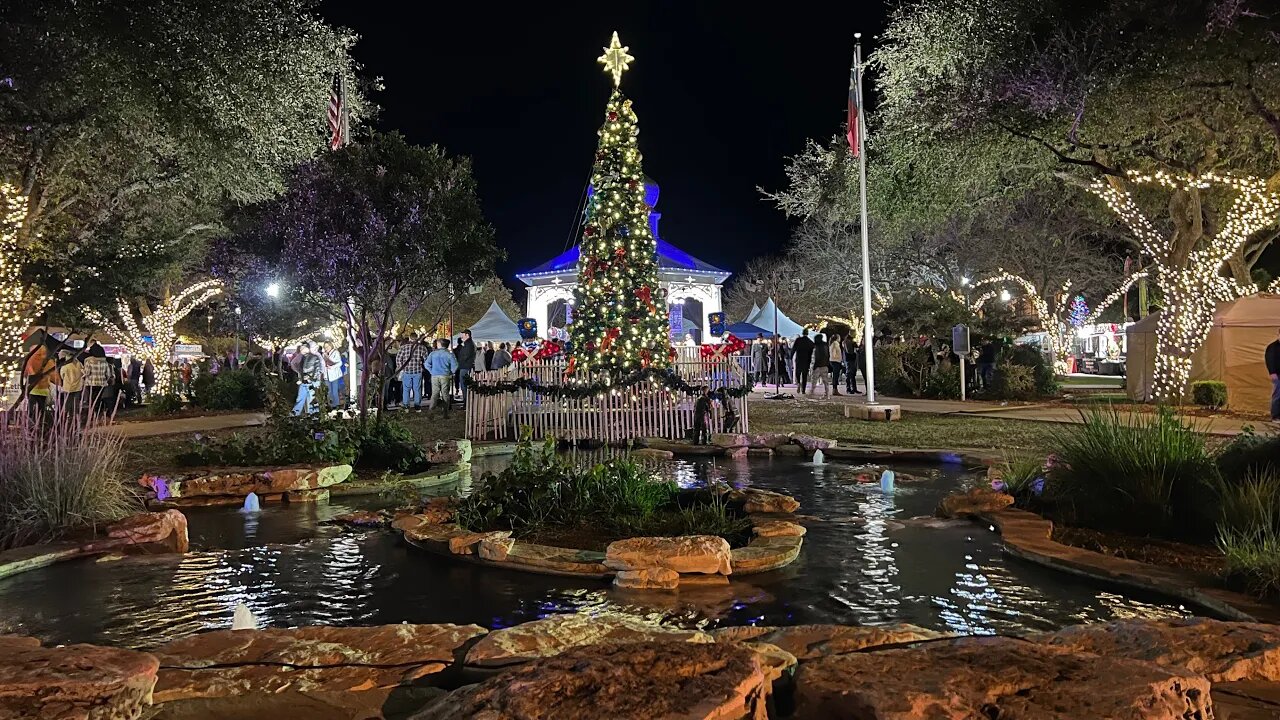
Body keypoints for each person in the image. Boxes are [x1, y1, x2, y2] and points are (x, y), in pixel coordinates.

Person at [425, 338, 459, 416]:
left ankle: (431, 411)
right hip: (445, 375)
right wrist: (451, 372)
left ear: (440, 344)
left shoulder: (433, 354)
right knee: (445, 394)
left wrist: (431, 371)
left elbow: (426, 364)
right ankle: (445, 412)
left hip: (435, 375)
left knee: (434, 394)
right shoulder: (450, 354)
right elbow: (455, 366)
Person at [24, 340, 55, 423]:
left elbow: (29, 374)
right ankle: (41, 424)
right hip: (42, 390)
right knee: (41, 409)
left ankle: (33, 425)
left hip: (34, 389)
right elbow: (54, 377)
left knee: (32, 409)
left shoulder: (30, 362)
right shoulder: (49, 362)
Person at [292, 342, 323, 415]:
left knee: (312, 399)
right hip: (304, 381)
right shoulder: (302, 358)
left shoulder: (314, 357)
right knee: (300, 398)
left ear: (308, 348)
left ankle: (314, 414)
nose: (301, 349)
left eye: (303, 348)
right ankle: (296, 413)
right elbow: (297, 367)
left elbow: (317, 369)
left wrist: (311, 378)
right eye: (301, 348)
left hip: (312, 382)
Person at [400, 332, 429, 410]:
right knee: (417, 389)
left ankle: (406, 405)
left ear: (409, 338)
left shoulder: (403, 347)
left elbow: (398, 359)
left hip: (406, 371)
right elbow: (426, 359)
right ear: (417, 338)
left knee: (406, 389)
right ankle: (417, 406)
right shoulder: (422, 347)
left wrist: (402, 368)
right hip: (418, 371)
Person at [82, 344, 111, 416]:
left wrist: (82, 370)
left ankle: (91, 413)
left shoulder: (89, 361)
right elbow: (108, 374)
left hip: (91, 383)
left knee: (91, 399)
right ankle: (97, 412)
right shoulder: (105, 362)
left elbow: (87, 373)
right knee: (98, 398)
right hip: (101, 383)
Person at [56, 348, 83, 418]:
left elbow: (62, 375)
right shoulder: (79, 363)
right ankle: (75, 415)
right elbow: (83, 373)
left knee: (67, 402)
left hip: (68, 387)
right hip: (78, 386)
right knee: (75, 402)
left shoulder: (65, 366)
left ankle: (67, 415)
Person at [455, 329, 477, 404]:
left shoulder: (469, 344)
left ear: (467, 335)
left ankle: (466, 402)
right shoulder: (468, 344)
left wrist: (457, 364)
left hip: (465, 367)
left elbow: (464, 356)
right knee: (464, 386)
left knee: (464, 386)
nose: (461, 337)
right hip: (465, 366)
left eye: (462, 335)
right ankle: (466, 401)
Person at [321, 342, 344, 407]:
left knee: (334, 391)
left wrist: (332, 367)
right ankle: (330, 405)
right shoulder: (324, 354)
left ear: (331, 346)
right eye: (325, 346)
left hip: (334, 375)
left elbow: (339, 363)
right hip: (326, 375)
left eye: (328, 346)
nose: (326, 348)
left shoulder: (335, 352)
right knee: (328, 392)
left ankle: (336, 405)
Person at [792, 329, 815, 394]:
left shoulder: (798, 340)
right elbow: (811, 351)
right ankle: (803, 390)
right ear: (807, 333)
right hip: (806, 360)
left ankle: (798, 382)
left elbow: (793, 349)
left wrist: (791, 356)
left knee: (798, 372)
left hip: (799, 358)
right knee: (804, 375)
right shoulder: (810, 342)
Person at [810, 333, 831, 398]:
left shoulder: (816, 346)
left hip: (818, 366)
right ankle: (827, 394)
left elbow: (817, 357)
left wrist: (815, 365)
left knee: (814, 379)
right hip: (825, 365)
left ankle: (812, 392)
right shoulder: (825, 345)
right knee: (825, 381)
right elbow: (827, 355)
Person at [1267, 327, 1280, 423]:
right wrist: (1272, 372)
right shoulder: (1272, 347)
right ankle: (1275, 416)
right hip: (1277, 375)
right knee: (1277, 395)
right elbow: (1270, 360)